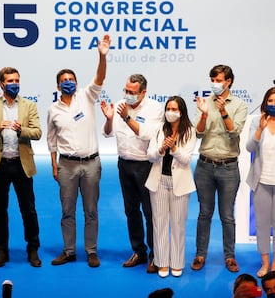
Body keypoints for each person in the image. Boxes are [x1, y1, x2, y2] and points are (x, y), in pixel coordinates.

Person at [47, 34, 111, 268]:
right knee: (67, 211)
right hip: (66, 165)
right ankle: (69, 251)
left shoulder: (86, 96)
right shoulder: (53, 109)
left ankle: (91, 251)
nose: (69, 82)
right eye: (64, 80)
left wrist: (102, 56)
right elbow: (51, 139)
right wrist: (54, 165)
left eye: (71, 78)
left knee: (91, 210)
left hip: (91, 164)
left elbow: (100, 77)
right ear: (58, 85)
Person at [0, 67, 42, 268]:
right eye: (10, 81)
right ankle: (1, 251)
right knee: (0, 210)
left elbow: (37, 132)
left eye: (17, 80)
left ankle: (32, 249)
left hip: (21, 164)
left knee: (29, 210)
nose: (14, 84)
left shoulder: (29, 105)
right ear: (1, 84)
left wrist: (21, 130)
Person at [100, 73, 163, 273]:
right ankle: (139, 251)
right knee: (131, 211)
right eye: (126, 91)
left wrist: (127, 117)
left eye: (132, 92)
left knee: (151, 212)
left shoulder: (155, 108)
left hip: (146, 166)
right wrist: (110, 119)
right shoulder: (119, 105)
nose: (128, 95)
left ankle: (156, 255)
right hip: (124, 164)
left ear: (143, 92)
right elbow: (108, 133)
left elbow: (146, 134)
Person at [191, 64, 248, 273]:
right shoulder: (204, 102)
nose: (214, 84)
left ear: (228, 82)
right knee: (204, 213)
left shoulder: (240, 105)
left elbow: (235, 133)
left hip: (228, 167)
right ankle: (200, 254)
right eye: (212, 80)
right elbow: (197, 134)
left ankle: (230, 257)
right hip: (204, 165)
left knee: (227, 216)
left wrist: (223, 112)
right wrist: (205, 115)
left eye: (218, 80)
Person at [145, 96, 197, 278]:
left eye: (174, 109)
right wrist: (161, 149)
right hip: (158, 181)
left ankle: (176, 262)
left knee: (178, 224)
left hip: (180, 184)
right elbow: (150, 155)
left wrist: (173, 148)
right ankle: (161, 262)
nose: (170, 112)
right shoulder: (159, 129)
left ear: (181, 112)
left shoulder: (189, 131)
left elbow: (186, 159)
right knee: (159, 224)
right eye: (168, 108)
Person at [246, 87, 275, 278]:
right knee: (263, 225)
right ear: (266, 102)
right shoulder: (257, 120)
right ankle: (265, 264)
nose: (273, 104)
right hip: (261, 181)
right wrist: (259, 130)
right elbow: (249, 147)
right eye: (271, 101)